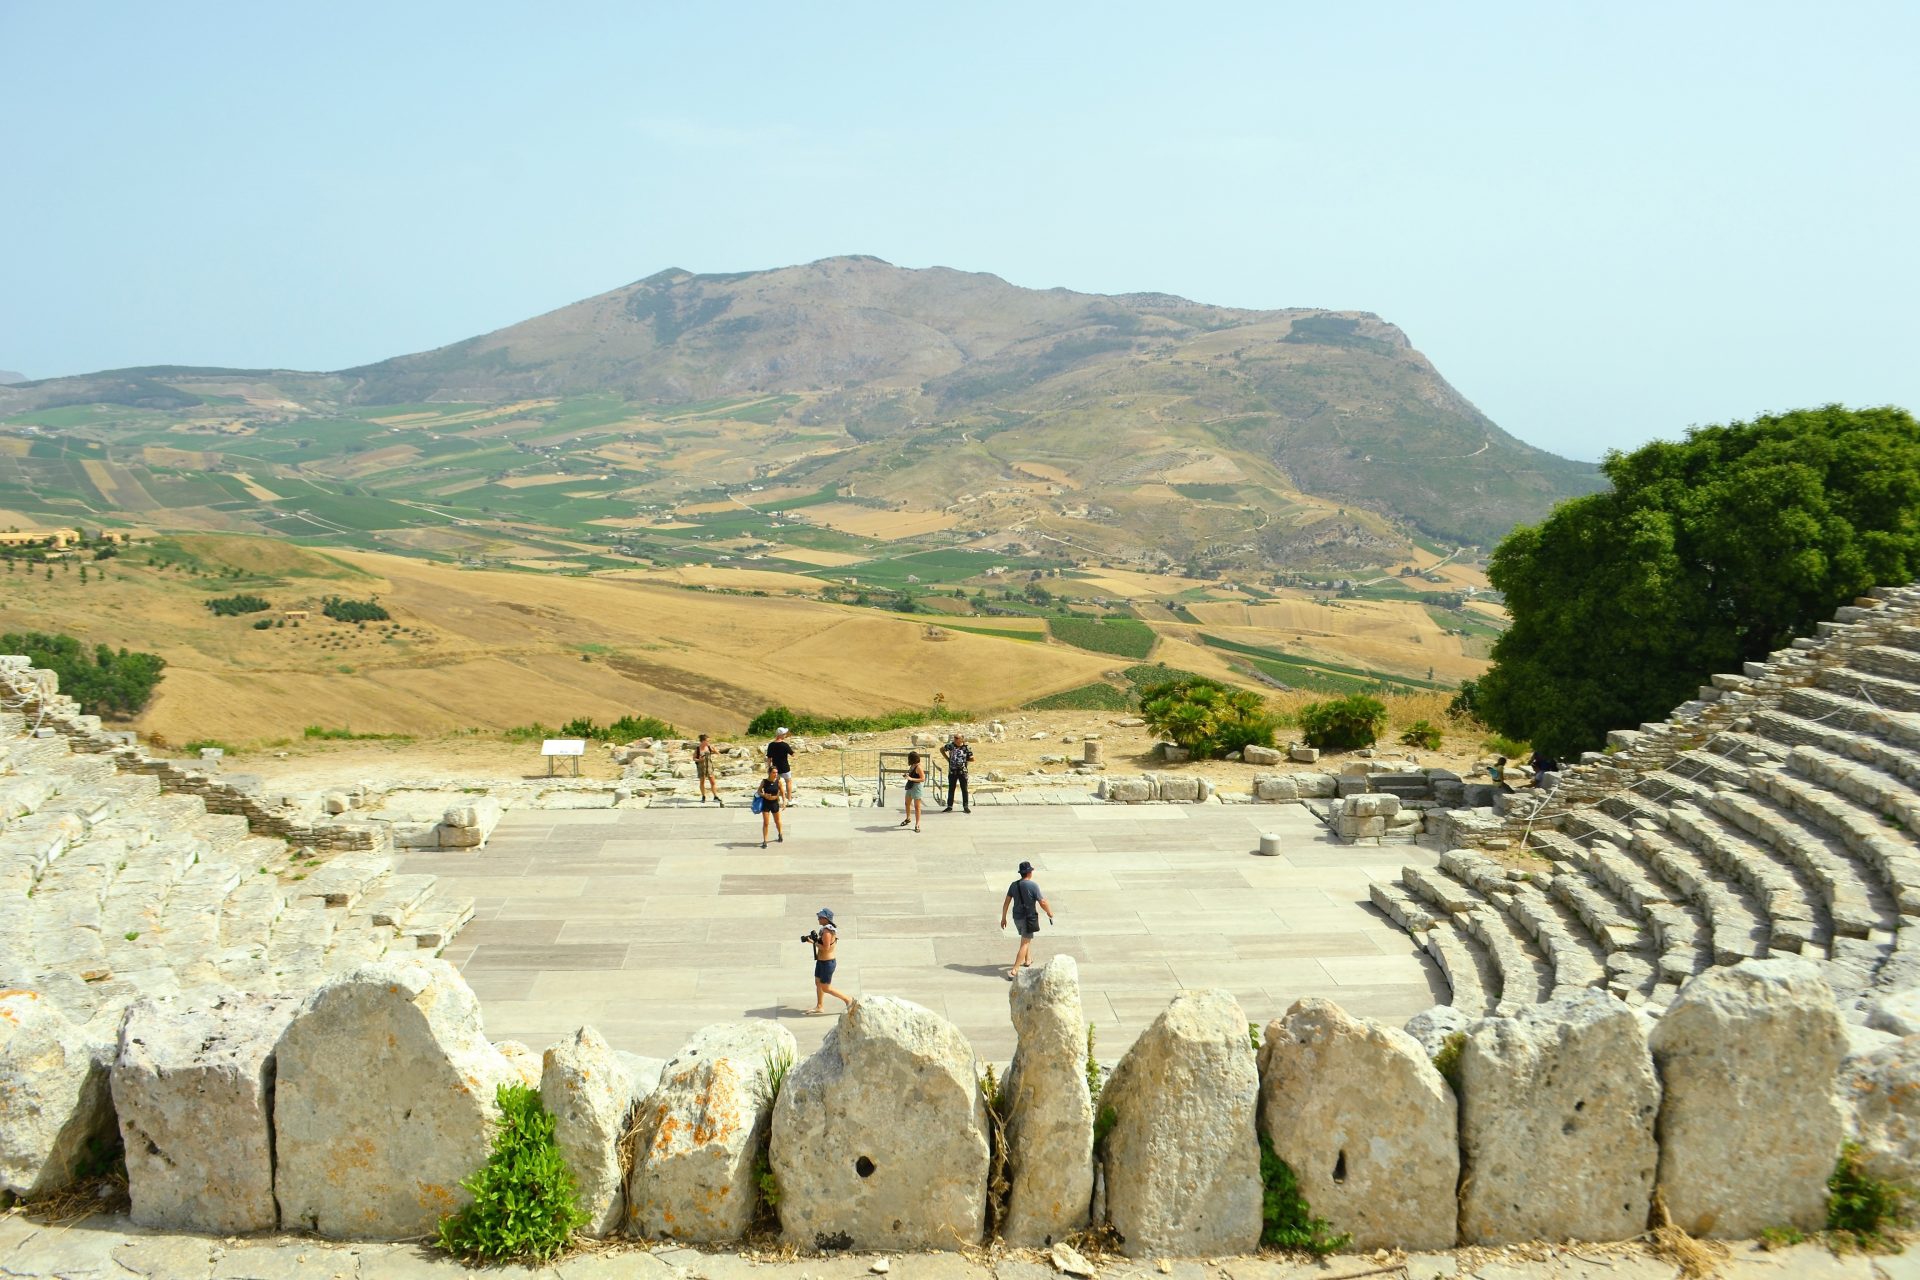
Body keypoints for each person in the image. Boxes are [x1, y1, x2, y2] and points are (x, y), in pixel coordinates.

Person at [999, 860, 1055, 979]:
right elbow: (1042, 902)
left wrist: (1003, 918)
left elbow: (1006, 902)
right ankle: (1015, 970)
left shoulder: (1014, 885)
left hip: (1016, 918)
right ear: (1029, 873)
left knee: (1026, 938)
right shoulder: (1033, 886)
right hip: (1028, 918)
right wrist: (1049, 912)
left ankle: (1028, 960)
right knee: (1025, 943)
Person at [804, 907, 852, 1015]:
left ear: (826, 919)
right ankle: (819, 1006)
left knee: (826, 988)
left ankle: (848, 1000)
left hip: (827, 963)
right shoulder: (825, 929)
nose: (818, 919)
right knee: (818, 983)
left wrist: (813, 942)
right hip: (821, 962)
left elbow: (825, 948)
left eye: (820, 917)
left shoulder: (827, 932)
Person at [942, 732, 974, 813]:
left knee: (964, 789)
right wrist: (948, 759)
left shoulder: (966, 748)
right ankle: (949, 806)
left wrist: (963, 760)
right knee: (951, 789)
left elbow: (972, 758)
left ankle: (965, 806)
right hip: (952, 771)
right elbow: (941, 749)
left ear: (962, 739)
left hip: (962, 771)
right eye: (954, 737)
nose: (955, 739)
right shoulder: (950, 746)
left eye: (957, 738)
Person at [756, 763, 784, 847]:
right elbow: (759, 791)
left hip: (774, 803)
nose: (775, 774)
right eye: (774, 772)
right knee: (766, 823)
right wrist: (764, 795)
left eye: (776, 772)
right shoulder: (764, 781)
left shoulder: (778, 781)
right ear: (769, 773)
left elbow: (782, 792)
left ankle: (780, 833)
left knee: (777, 821)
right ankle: (765, 841)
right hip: (766, 803)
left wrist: (784, 802)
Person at [898, 750, 926, 831]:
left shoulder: (919, 767)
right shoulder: (912, 766)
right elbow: (912, 774)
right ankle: (908, 818)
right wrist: (907, 775)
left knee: (917, 807)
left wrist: (911, 778)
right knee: (907, 803)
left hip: (916, 788)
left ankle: (917, 824)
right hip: (910, 787)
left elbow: (923, 778)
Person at [766, 726, 795, 801]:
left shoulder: (771, 745)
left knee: (777, 783)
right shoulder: (785, 745)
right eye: (784, 734)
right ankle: (789, 799)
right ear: (781, 735)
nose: (785, 735)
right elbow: (792, 754)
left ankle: (777, 799)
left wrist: (769, 768)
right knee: (788, 782)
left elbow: (769, 758)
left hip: (775, 767)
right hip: (785, 767)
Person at [694, 733, 721, 805]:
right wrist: (699, 760)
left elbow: (718, 753)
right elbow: (694, 758)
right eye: (707, 741)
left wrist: (715, 750)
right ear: (703, 741)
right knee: (702, 782)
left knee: (713, 782)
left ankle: (715, 796)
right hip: (701, 767)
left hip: (709, 767)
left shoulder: (709, 747)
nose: (708, 742)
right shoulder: (697, 749)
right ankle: (703, 796)